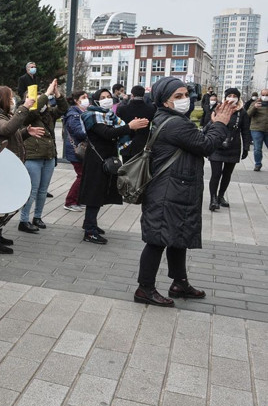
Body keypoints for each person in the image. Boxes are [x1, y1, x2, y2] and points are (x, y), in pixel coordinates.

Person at [135, 77, 234, 306]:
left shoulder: (171, 119)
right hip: (168, 192)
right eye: (177, 96)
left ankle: (180, 283)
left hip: (176, 189)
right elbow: (206, 145)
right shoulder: (176, 124)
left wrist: (213, 122)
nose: (185, 99)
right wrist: (220, 124)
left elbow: (198, 139)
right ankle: (144, 289)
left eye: (186, 94)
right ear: (165, 101)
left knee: (176, 236)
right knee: (157, 240)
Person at [79, 88, 148, 244]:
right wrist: (129, 127)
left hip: (107, 159)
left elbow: (117, 133)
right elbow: (107, 133)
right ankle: (89, 231)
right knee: (94, 195)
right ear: (95, 101)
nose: (106, 99)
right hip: (96, 161)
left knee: (102, 192)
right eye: (102, 97)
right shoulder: (92, 116)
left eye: (108, 96)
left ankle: (90, 223)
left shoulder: (110, 116)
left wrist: (132, 128)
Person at [0, 86, 36, 253]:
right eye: (11, 99)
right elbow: (6, 129)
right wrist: (24, 108)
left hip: (5, 167)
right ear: (3, 99)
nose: (13, 102)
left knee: (4, 204)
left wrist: (26, 132)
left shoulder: (1, 116)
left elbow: (10, 136)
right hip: (0, 169)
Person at [18, 80, 66, 233]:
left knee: (43, 190)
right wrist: (45, 94)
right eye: (36, 99)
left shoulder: (48, 113)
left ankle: (37, 217)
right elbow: (31, 112)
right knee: (32, 190)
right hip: (33, 157)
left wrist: (57, 94)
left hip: (49, 156)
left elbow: (64, 108)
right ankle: (23, 220)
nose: (41, 101)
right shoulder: (25, 113)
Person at [206, 88, 250, 211]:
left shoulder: (242, 113)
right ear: (225, 97)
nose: (232, 97)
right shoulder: (219, 108)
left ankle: (221, 196)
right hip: (217, 145)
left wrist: (246, 147)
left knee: (227, 174)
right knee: (216, 174)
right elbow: (209, 125)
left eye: (234, 95)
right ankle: (213, 199)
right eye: (229, 95)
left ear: (238, 98)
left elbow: (246, 131)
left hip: (233, 146)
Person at [63, 91, 89, 212]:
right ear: (76, 100)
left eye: (87, 97)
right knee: (81, 175)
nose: (86, 99)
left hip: (81, 149)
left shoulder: (82, 112)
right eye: (83, 97)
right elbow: (79, 132)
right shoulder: (73, 114)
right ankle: (70, 202)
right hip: (77, 150)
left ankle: (78, 200)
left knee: (84, 176)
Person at [116, 85, 156, 161]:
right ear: (143, 95)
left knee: (126, 169)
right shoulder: (151, 109)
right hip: (143, 145)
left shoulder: (122, 109)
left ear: (132, 95)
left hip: (126, 144)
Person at [247, 88, 268, 171]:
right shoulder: (255, 103)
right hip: (257, 129)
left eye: (267, 95)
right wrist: (255, 107)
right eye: (263, 95)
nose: (265, 97)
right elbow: (248, 114)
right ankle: (258, 164)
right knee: (257, 148)